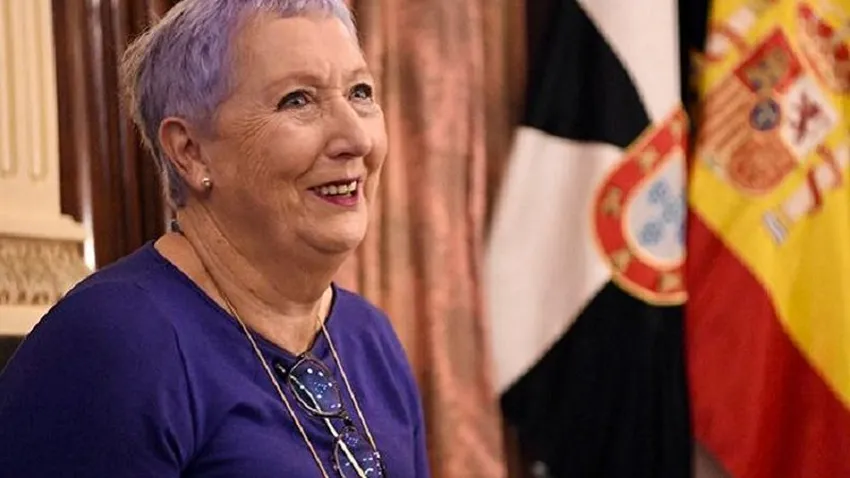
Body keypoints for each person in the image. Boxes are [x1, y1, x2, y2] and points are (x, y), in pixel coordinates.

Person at [0, 1, 430, 476]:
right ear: (191, 152)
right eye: (298, 100)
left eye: (360, 92)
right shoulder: (115, 343)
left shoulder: (370, 337)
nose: (357, 139)